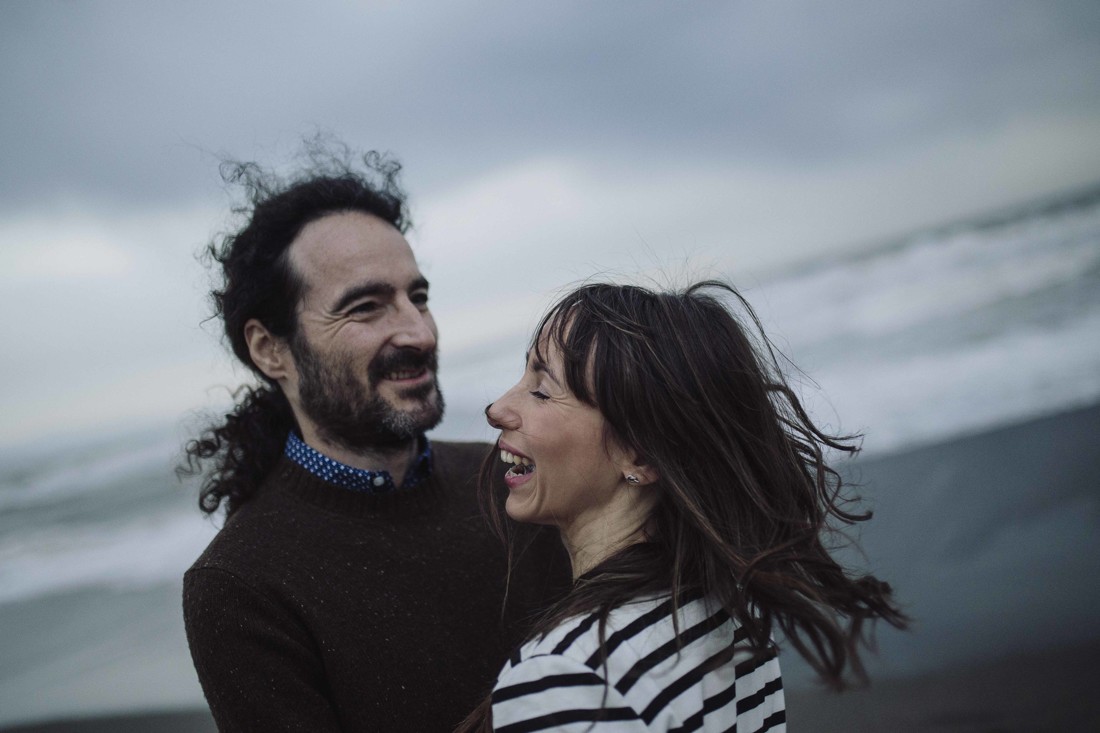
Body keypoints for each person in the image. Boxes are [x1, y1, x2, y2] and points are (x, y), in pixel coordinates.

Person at [180, 145, 569, 733]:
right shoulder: (240, 586)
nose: (416, 331)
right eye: (366, 308)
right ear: (271, 350)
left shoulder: (510, 478)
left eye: (418, 297)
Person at [466, 280, 908, 732]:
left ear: (639, 454)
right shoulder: (728, 609)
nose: (498, 407)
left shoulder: (567, 675)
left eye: (541, 390)